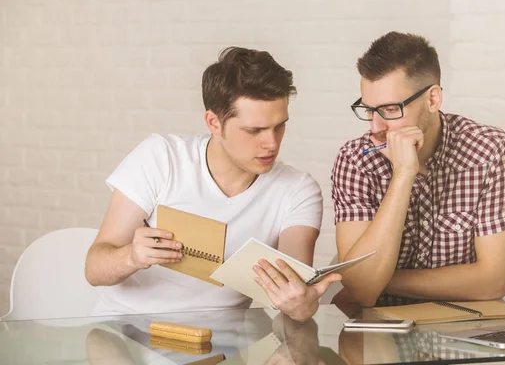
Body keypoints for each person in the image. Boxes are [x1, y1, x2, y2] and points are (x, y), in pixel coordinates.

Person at [85, 47, 341, 321]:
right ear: (213, 122)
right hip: (126, 327)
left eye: (279, 126)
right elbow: (94, 269)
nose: (272, 143)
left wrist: (301, 305)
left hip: (218, 343)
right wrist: (132, 257)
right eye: (254, 130)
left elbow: (295, 295)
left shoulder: (297, 190)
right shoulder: (161, 157)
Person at [331, 32, 505, 309]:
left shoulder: (489, 151)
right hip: (379, 337)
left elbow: (493, 282)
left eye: (389, 109)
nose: (375, 127)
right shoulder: (355, 160)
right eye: (369, 110)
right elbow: (362, 291)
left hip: (462, 333)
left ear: (432, 100)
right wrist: (403, 176)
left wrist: (379, 278)